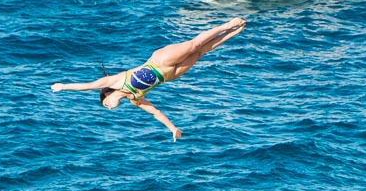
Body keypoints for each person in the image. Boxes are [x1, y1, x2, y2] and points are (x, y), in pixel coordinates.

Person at [50, 17, 247, 141]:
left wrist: (63, 86)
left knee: (195, 44)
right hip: (170, 75)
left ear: (107, 96)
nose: (109, 108)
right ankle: (232, 33)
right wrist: (173, 128)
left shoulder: (114, 81)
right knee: (201, 52)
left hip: (160, 61)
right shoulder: (135, 100)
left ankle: (227, 24)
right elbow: (156, 113)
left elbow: (87, 86)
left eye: (106, 105)